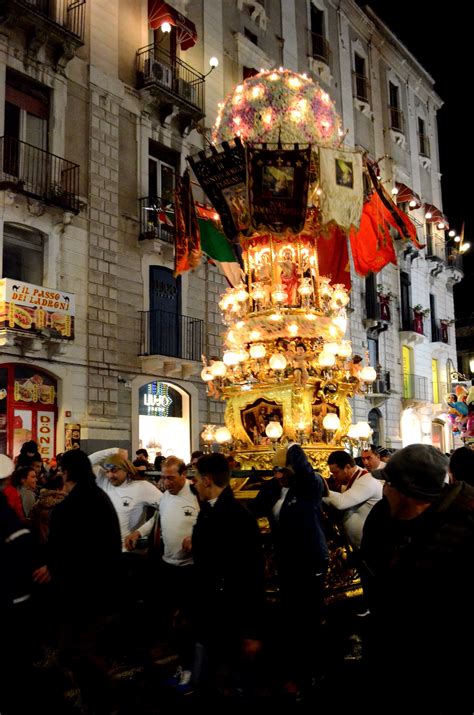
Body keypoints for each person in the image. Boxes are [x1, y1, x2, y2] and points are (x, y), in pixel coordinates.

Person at [361, 444, 474, 712]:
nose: (384, 489)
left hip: (441, 674)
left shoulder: (461, 529)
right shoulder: (385, 519)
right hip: (400, 663)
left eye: (388, 483)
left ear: (405, 491)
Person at [47, 449, 122, 712]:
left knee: (80, 652)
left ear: (67, 473)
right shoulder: (101, 498)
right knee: (87, 650)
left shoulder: (68, 508)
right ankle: (99, 698)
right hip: (103, 590)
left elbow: (58, 555)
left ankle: (99, 701)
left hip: (80, 595)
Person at [253, 443, 328, 696]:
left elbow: (305, 470)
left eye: (285, 471)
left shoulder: (310, 486)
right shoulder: (274, 488)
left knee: (308, 618)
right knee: (290, 617)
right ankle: (292, 670)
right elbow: (254, 510)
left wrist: (292, 447)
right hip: (287, 561)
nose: (280, 475)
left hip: (310, 560)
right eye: (276, 470)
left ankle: (311, 675)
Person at [191, 453, 265, 696]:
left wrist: (252, 631)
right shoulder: (207, 512)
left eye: (196, 478)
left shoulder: (238, 518)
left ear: (208, 480)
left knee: (232, 683)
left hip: (230, 615)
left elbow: (252, 576)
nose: (194, 483)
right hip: (210, 611)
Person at [126, 456, 200, 690]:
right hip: (167, 566)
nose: (166, 482)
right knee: (166, 618)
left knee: (189, 622)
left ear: (183, 475)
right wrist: (138, 532)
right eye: (163, 477)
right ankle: (173, 660)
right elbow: (157, 518)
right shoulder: (166, 497)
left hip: (190, 569)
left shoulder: (197, 495)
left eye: (171, 477)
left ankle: (191, 669)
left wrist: (196, 539)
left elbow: (208, 523)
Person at [323, 450, 383, 551]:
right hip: (358, 546)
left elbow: (341, 503)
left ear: (347, 467)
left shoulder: (367, 480)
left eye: (336, 472)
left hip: (371, 546)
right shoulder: (352, 480)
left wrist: (320, 490)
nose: (334, 476)